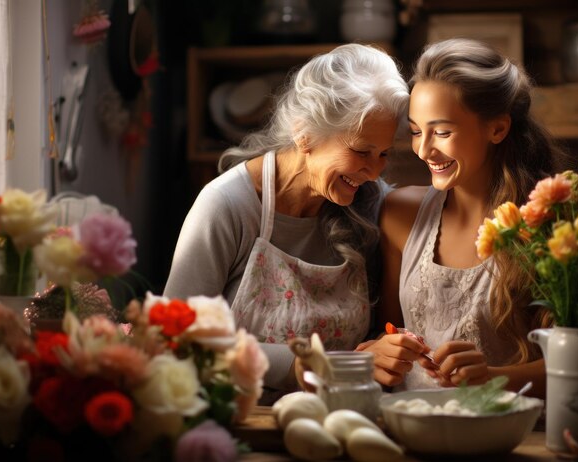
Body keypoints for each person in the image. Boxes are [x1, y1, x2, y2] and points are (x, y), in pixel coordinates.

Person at [164, 43, 409, 403]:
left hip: (342, 420)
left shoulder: (371, 203)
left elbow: (376, 336)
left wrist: (383, 348)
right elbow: (175, 337)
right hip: (241, 422)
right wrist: (313, 365)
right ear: (304, 133)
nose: (374, 171)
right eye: (360, 151)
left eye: (384, 153)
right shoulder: (227, 205)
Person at [357, 38, 569, 398]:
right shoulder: (400, 215)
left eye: (442, 132)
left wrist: (494, 377)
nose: (424, 150)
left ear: (497, 129)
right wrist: (379, 351)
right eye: (415, 131)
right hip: (412, 431)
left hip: (513, 436)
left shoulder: (550, 225)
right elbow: (388, 330)